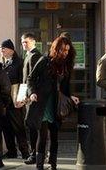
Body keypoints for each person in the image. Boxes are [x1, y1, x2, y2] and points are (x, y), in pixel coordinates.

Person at [25, 36, 80, 170]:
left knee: (55, 137)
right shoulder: (44, 61)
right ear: (56, 49)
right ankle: (39, 166)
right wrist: (32, 93)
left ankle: (53, 165)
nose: (65, 53)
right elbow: (30, 78)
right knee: (42, 136)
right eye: (62, 50)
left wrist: (71, 96)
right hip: (42, 103)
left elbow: (65, 87)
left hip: (56, 105)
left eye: (67, 50)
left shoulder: (66, 65)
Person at [0, 39, 30, 159]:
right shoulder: (3, 63)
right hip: (5, 101)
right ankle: (11, 151)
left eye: (4, 48)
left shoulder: (19, 63)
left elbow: (24, 81)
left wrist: (21, 98)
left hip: (16, 100)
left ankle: (25, 152)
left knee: (18, 128)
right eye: (0, 48)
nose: (1, 50)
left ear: (11, 50)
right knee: (6, 127)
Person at [20, 32, 42, 165]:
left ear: (33, 41)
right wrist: (21, 96)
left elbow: (32, 79)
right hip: (28, 96)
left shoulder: (35, 56)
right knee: (30, 125)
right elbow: (25, 79)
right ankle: (34, 154)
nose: (24, 44)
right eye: (22, 42)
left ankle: (35, 155)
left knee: (33, 126)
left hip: (33, 98)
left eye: (26, 42)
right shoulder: (28, 55)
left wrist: (28, 95)